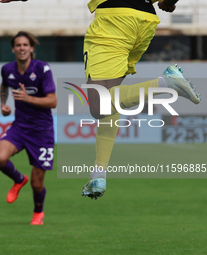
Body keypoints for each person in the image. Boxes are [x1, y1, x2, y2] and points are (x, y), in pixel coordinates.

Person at [81, 0, 201, 199]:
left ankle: (165, 84)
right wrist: (170, 2)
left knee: (98, 105)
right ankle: (98, 174)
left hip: (114, 18)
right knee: (112, 99)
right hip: (145, 21)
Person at [0, 31, 57, 225]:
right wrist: (3, 104)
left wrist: (28, 98)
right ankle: (19, 179)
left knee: (38, 184)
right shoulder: (7, 69)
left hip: (42, 131)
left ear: (31, 48)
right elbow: (4, 86)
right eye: (18, 45)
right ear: (13, 49)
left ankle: (38, 212)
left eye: (25, 45)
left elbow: (53, 101)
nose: (22, 48)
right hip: (19, 127)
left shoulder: (42, 69)